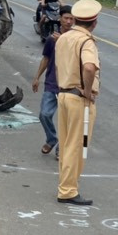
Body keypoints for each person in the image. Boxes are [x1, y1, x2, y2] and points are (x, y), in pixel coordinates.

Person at [53, 0, 102, 206]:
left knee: (65, 145)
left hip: (63, 94)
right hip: (78, 99)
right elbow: (89, 67)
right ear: (94, 22)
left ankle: (65, 185)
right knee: (77, 145)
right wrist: (88, 92)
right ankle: (68, 190)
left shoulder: (64, 38)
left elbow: (57, 67)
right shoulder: (86, 42)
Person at [31, 9, 75, 157]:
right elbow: (46, 59)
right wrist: (37, 77)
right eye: (66, 18)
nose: (69, 22)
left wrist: (62, 43)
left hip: (69, 86)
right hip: (52, 83)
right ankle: (51, 139)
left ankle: (61, 148)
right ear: (60, 18)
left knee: (66, 120)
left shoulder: (77, 40)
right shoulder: (51, 39)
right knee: (44, 114)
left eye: (71, 19)